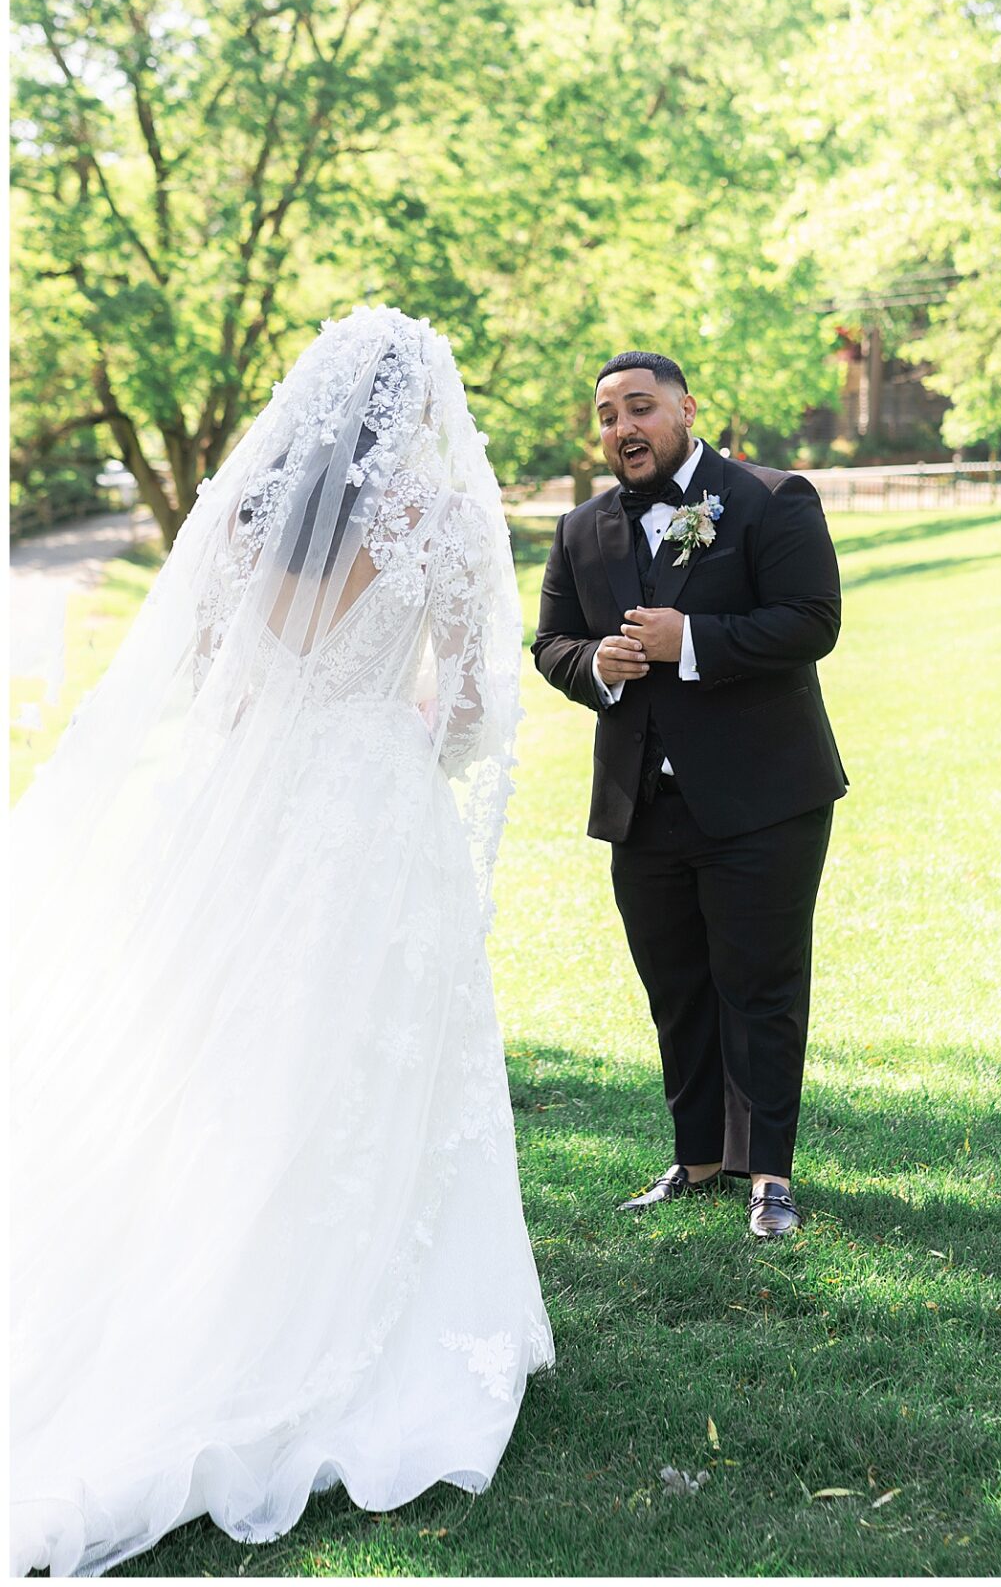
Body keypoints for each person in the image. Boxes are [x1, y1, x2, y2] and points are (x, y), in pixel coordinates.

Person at [12, 304, 553, 1578]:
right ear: (415, 409)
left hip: (250, 805)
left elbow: (209, 678)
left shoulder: (244, 511)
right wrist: (401, 716)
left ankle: (194, 1274)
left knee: (222, 1052)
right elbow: (476, 712)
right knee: (367, 1058)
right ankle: (352, 1315)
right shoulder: (441, 518)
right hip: (370, 803)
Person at [532, 351, 846, 1240]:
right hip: (642, 805)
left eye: (639, 407)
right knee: (677, 988)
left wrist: (690, 640)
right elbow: (551, 641)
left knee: (762, 987)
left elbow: (811, 620)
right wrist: (596, 664)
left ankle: (771, 1177)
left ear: (684, 409)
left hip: (763, 798)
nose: (622, 428)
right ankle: (700, 1160)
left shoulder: (771, 498)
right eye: (605, 415)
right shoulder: (581, 528)